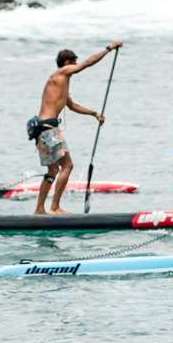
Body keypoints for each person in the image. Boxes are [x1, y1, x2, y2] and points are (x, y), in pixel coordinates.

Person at [27, 41, 123, 214]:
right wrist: (108, 49)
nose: (75, 66)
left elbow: (72, 106)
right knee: (68, 166)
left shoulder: (60, 82)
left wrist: (94, 113)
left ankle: (39, 209)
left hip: (42, 129)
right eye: (74, 62)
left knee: (53, 170)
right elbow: (86, 64)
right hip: (48, 129)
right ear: (66, 63)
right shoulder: (61, 73)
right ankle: (54, 207)